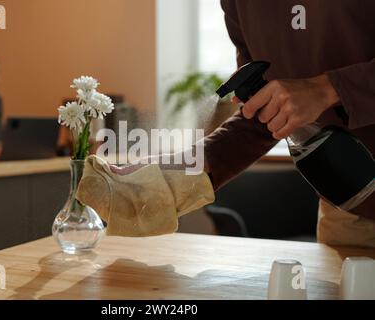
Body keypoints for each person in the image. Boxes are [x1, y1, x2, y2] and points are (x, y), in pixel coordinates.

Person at [96, 1, 375, 247]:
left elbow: (305, 95)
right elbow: (265, 109)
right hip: (349, 210)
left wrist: (327, 89)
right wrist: (185, 165)